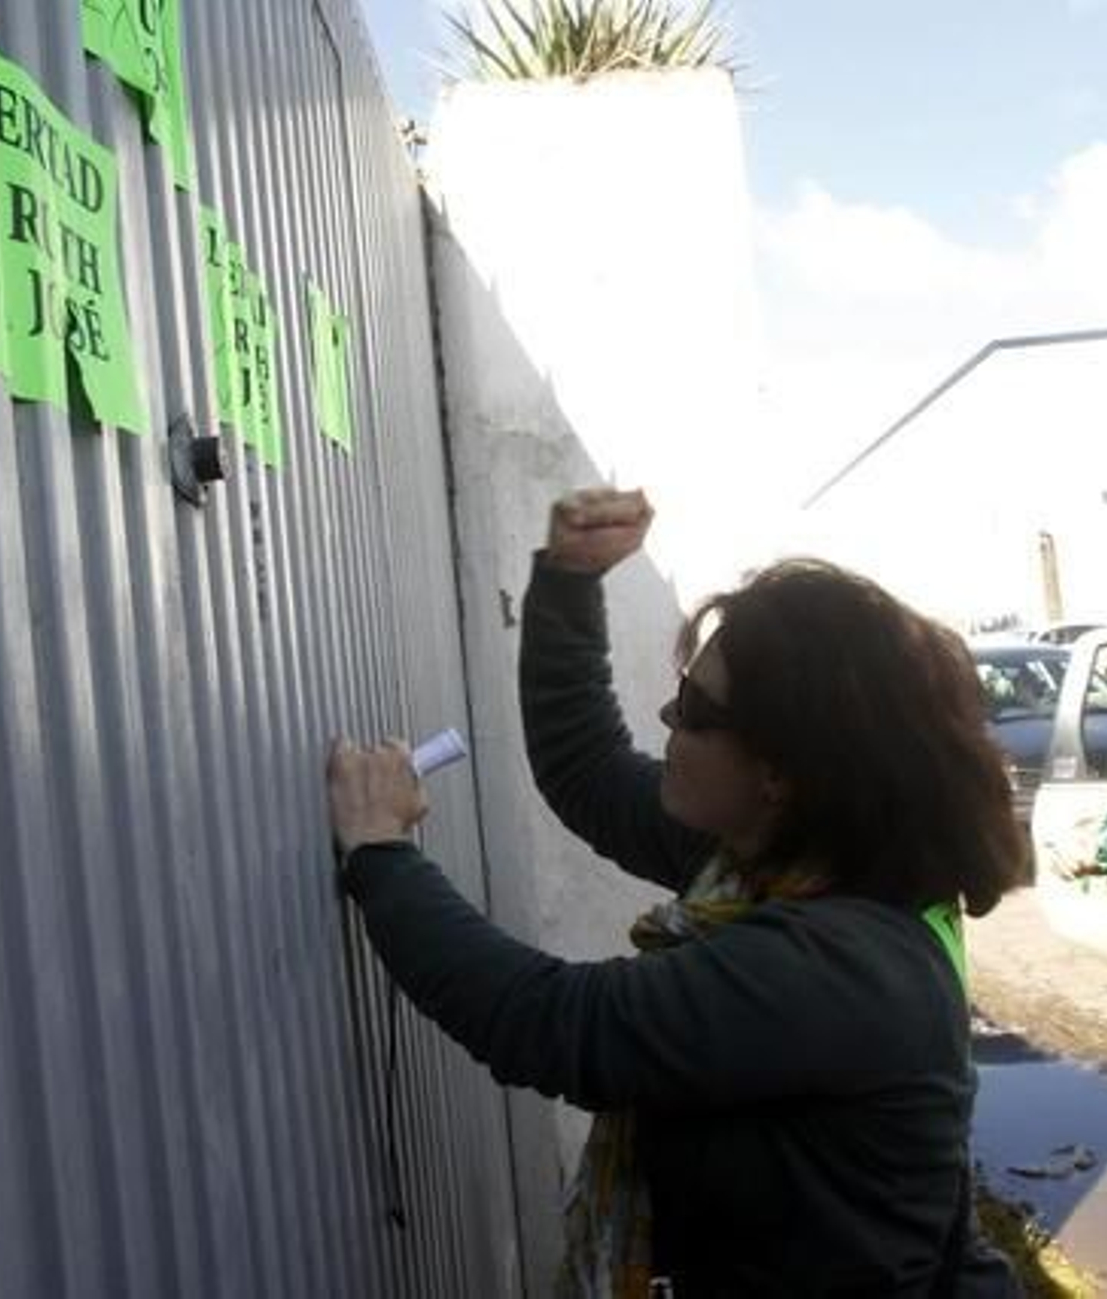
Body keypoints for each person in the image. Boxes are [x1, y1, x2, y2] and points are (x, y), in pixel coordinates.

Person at [328, 487, 1026, 1296]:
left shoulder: (843, 967)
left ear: (781, 769)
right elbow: (586, 768)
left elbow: (555, 1022)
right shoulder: (774, 857)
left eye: (695, 708)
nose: (668, 713)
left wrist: (382, 854)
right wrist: (569, 581)